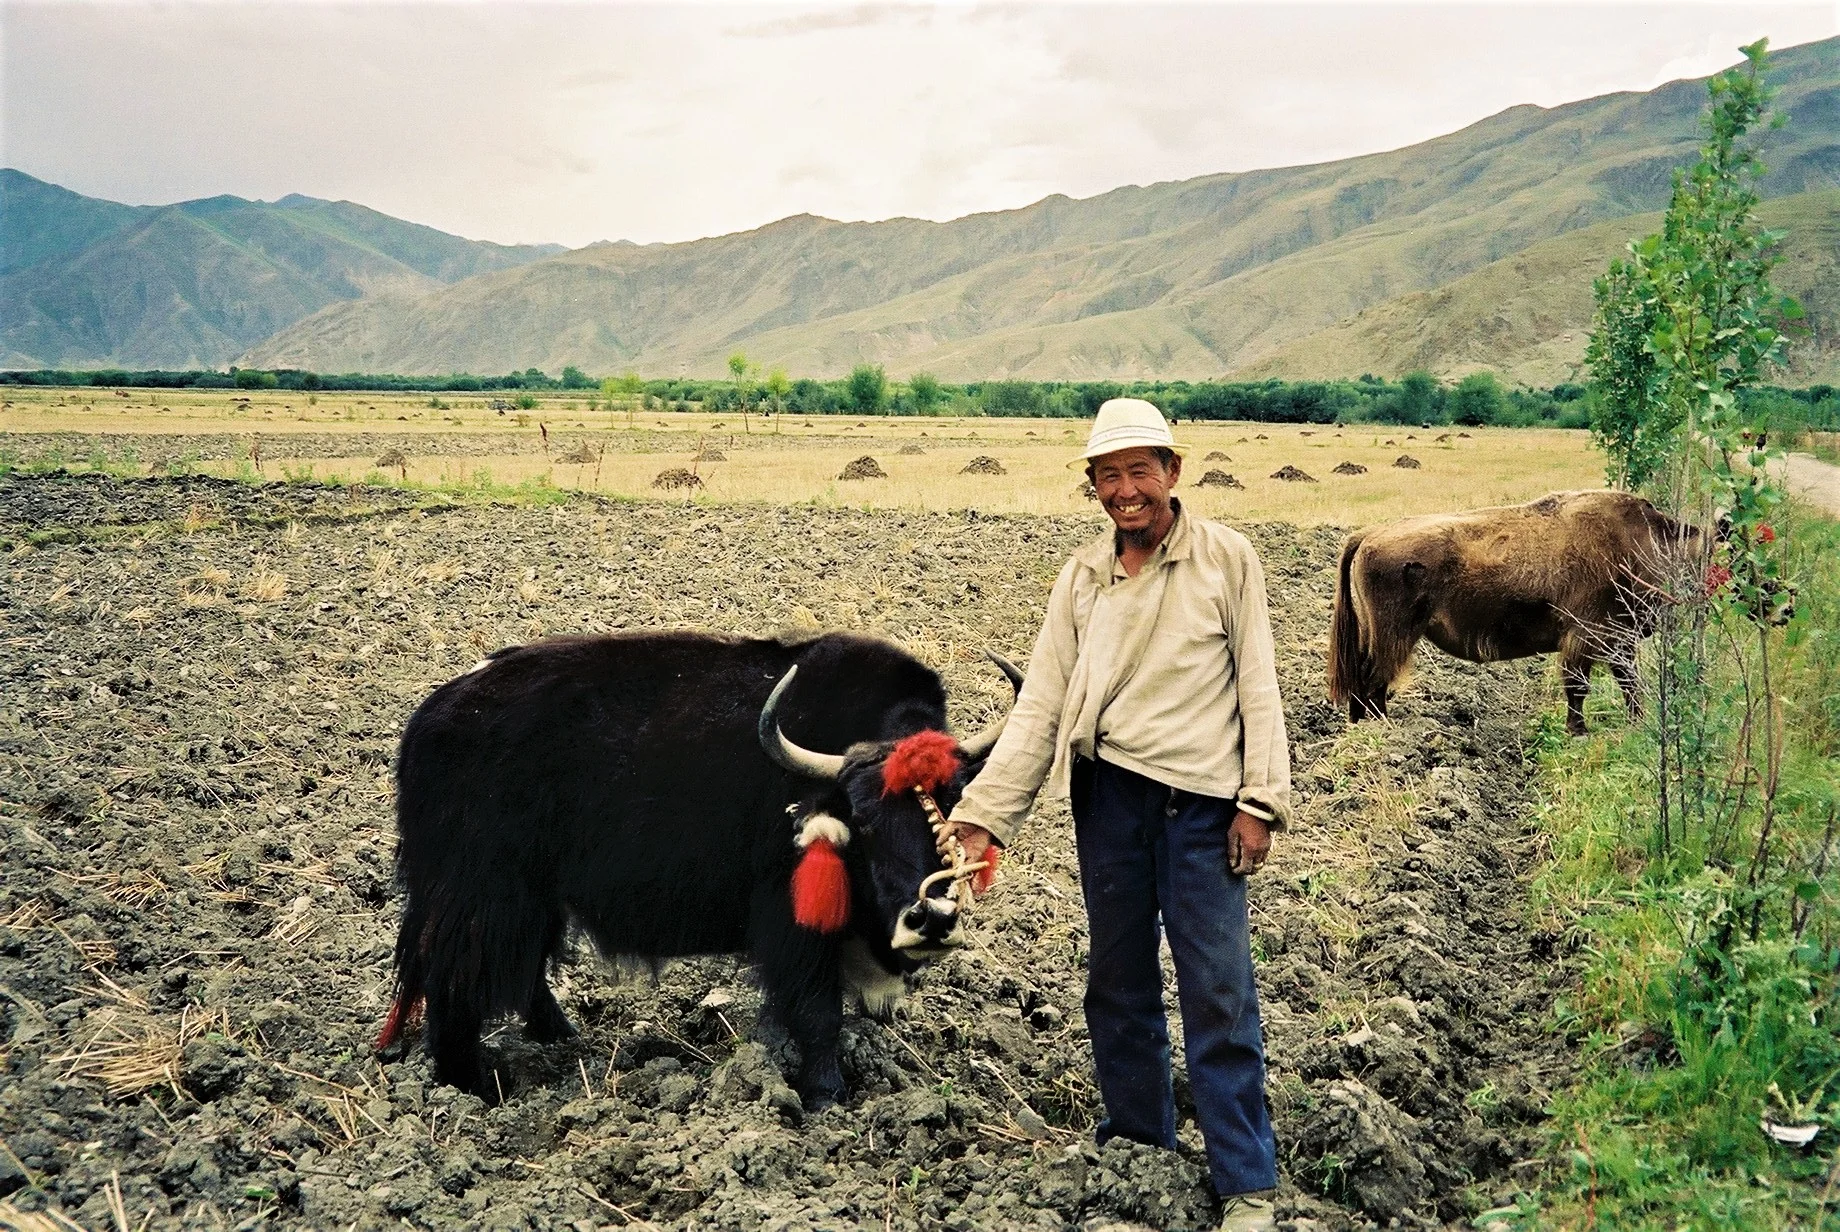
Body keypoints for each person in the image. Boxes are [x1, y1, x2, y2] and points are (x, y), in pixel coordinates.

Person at [949, 398, 1290, 1232]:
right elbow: (1040, 708)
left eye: (1142, 470)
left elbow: (1260, 686)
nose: (1127, 490)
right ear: (1093, 486)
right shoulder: (1082, 577)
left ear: (1174, 473)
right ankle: (1140, 1144)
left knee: (1217, 989)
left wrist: (1261, 802)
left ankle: (1245, 1180)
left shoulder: (1225, 561)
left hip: (1203, 807)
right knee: (1118, 980)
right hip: (1108, 802)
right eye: (1110, 475)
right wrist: (984, 812)